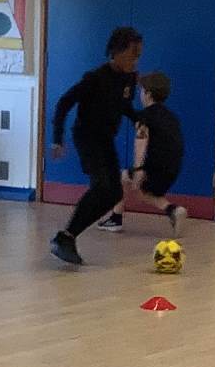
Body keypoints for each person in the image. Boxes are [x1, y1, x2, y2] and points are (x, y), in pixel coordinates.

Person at [49, 26, 143, 266]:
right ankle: (65, 237)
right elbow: (64, 103)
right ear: (117, 51)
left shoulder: (129, 79)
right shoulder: (95, 78)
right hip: (87, 137)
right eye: (132, 54)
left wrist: (139, 121)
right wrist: (57, 138)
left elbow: (124, 106)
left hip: (105, 139)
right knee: (101, 185)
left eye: (138, 55)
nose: (135, 59)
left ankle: (68, 237)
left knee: (114, 193)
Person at [123, 73, 188, 235]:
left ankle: (114, 219)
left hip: (154, 167)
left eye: (141, 90)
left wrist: (138, 169)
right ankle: (173, 210)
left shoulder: (144, 116)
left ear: (148, 94)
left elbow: (141, 142)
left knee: (120, 178)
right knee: (144, 192)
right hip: (173, 167)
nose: (140, 94)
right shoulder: (172, 117)